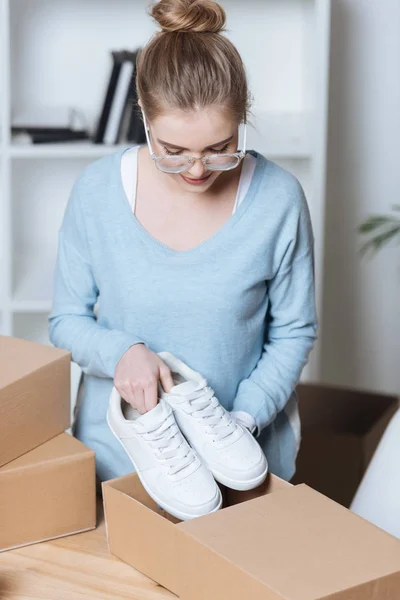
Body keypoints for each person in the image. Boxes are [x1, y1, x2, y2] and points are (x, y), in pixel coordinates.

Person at [49, 0, 318, 487]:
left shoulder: (278, 198)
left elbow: (294, 332)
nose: (197, 170)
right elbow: (66, 321)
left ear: (242, 117)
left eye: (220, 149)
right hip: (120, 458)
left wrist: (243, 423)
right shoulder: (96, 192)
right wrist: (122, 352)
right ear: (146, 119)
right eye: (174, 152)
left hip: (246, 453)